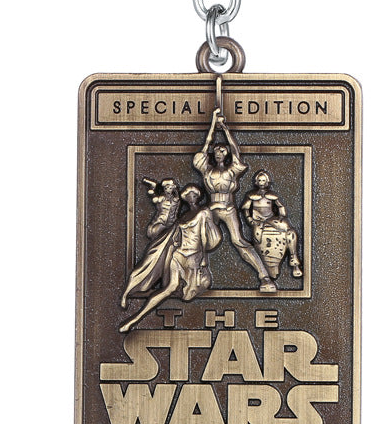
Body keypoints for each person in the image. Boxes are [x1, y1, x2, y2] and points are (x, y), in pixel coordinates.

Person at [193, 108, 277, 293]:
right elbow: (205, 147)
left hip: (228, 208)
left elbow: (236, 151)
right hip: (211, 209)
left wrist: (225, 129)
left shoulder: (232, 170)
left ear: (226, 154)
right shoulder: (207, 170)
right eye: (217, 151)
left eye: (222, 151)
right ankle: (196, 278)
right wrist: (213, 124)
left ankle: (264, 277)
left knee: (239, 240)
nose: (219, 153)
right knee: (200, 241)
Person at [119, 183, 221, 332]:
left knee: (188, 292)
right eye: (188, 195)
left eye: (194, 195)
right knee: (169, 288)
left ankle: (133, 319)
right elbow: (175, 236)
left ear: (198, 197)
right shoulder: (183, 216)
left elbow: (205, 237)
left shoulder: (204, 212)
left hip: (193, 257)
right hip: (178, 255)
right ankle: (134, 319)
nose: (191, 198)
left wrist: (204, 258)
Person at [241, 169, 302, 279]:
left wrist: (281, 216)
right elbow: (245, 208)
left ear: (267, 182)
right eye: (260, 180)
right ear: (256, 182)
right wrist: (249, 219)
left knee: (289, 229)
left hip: (271, 220)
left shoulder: (272, 195)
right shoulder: (251, 195)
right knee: (257, 235)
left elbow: (280, 206)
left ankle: (294, 258)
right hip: (257, 222)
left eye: (263, 180)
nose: (261, 183)